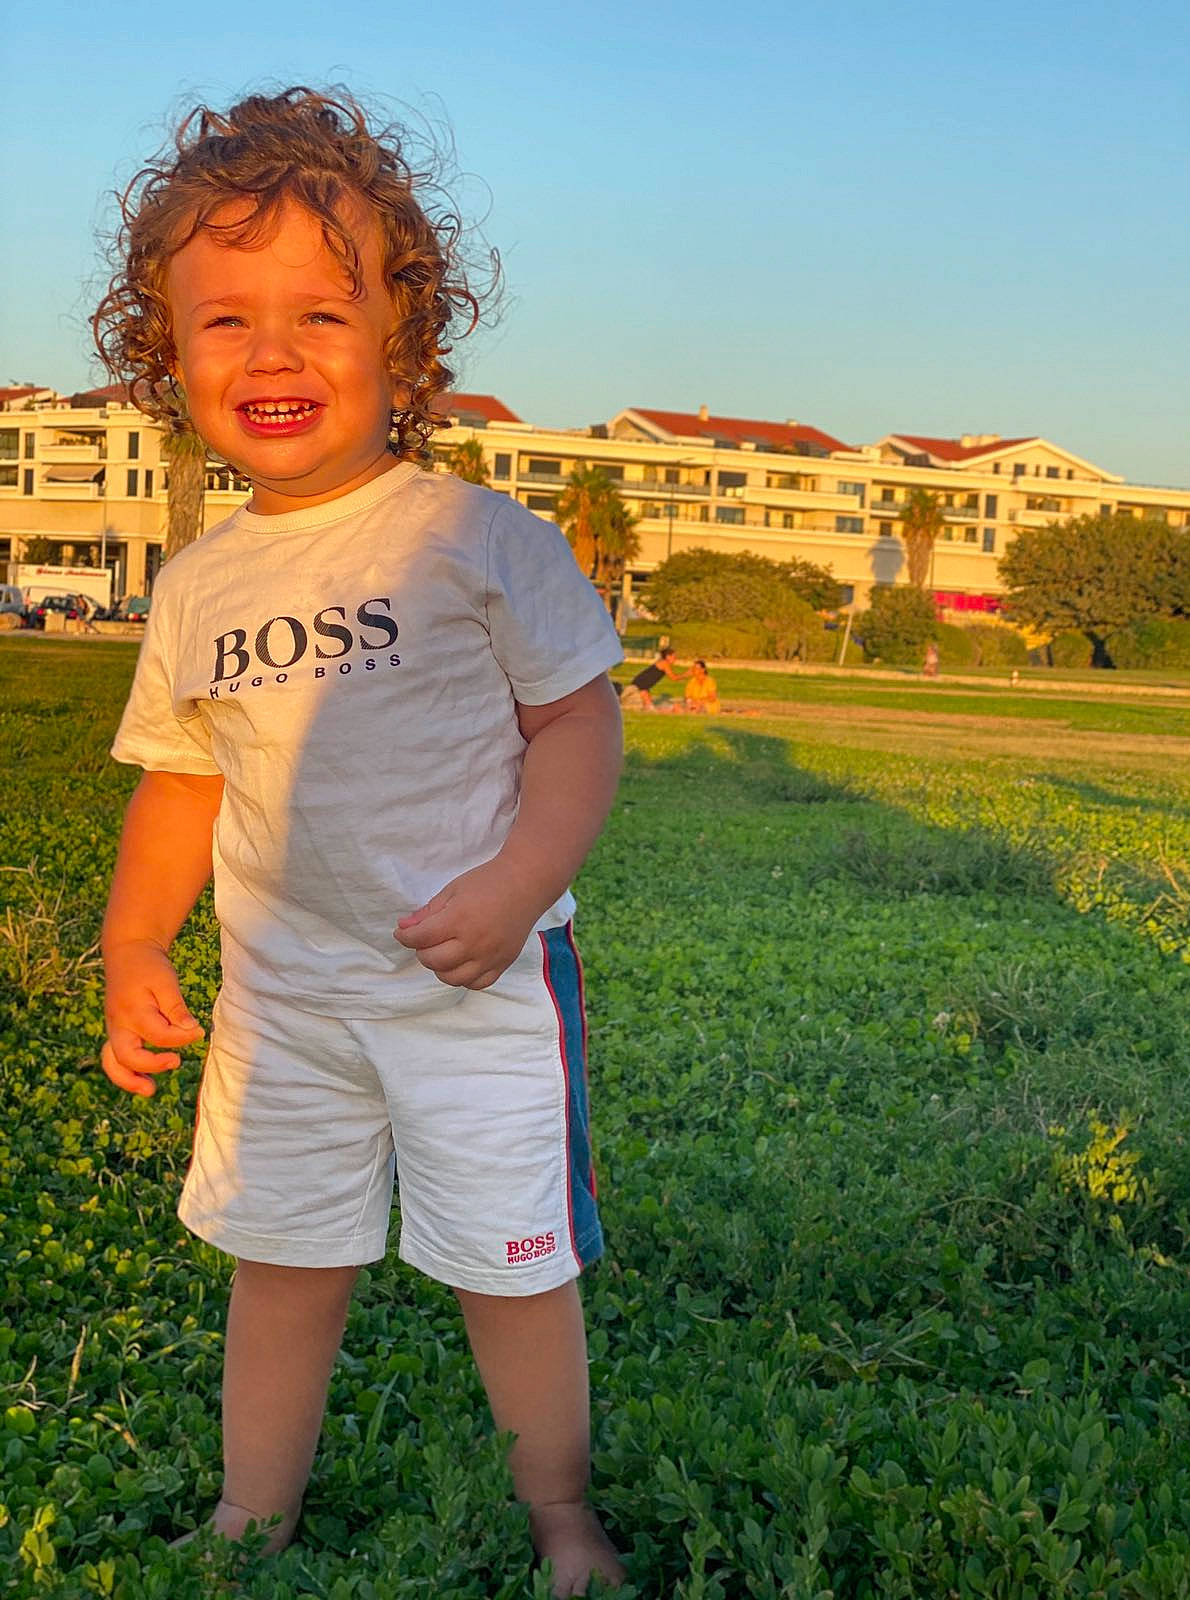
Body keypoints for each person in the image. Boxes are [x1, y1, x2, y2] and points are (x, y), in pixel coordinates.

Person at [93, 88, 626, 1597]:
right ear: (167, 353)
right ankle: (249, 1513)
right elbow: (182, 784)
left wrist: (518, 886)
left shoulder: (476, 538)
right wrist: (137, 942)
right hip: (284, 1003)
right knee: (284, 1260)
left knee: (510, 1271)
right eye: (224, 322)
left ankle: (563, 1517)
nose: (272, 354)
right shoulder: (198, 584)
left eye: (322, 313)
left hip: (476, 993)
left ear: (405, 339)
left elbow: (581, 730)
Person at [620, 645, 684, 709]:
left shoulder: (662, 662)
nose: (675, 658)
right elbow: (673, 677)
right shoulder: (665, 663)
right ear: (668, 657)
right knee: (647, 706)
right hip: (641, 684)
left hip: (642, 683)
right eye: (674, 656)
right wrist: (688, 674)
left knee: (648, 705)